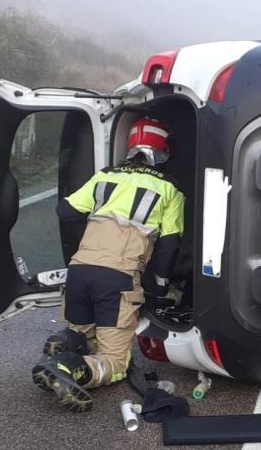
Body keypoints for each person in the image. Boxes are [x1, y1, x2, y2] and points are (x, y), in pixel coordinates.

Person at [33, 117, 185, 412]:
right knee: (115, 363)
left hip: (79, 272)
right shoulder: (169, 189)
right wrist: (160, 285)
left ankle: (65, 342)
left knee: (87, 337)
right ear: (164, 151)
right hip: (116, 278)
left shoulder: (104, 177)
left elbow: (65, 210)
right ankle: (67, 368)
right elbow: (170, 245)